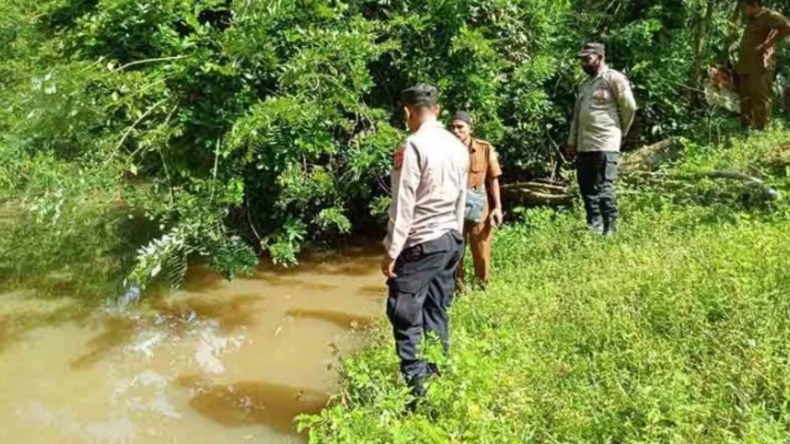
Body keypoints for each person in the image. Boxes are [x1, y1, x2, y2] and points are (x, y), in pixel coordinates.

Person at [382, 84, 468, 404]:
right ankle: (437, 380)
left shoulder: (413, 146)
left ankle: (418, 397)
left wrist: (391, 252)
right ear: (439, 109)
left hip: (420, 244)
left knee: (405, 316)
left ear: (407, 112)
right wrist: (456, 237)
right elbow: (461, 197)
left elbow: (403, 205)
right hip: (449, 240)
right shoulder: (457, 145)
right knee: (436, 311)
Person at [566, 42, 637, 236]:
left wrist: (619, 132)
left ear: (600, 57)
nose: (584, 64)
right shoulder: (584, 85)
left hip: (606, 142)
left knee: (605, 186)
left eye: (588, 59)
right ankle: (594, 227)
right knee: (586, 187)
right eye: (582, 60)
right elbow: (577, 116)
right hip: (584, 144)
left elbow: (629, 107)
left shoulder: (614, 78)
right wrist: (572, 142)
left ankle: (610, 229)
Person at [449, 111, 503, 291]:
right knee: (455, 251)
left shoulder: (484, 148)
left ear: (470, 128)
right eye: (453, 127)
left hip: (479, 206)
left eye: (460, 127)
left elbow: (493, 178)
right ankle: (459, 289)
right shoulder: (445, 150)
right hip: (453, 206)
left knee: (481, 250)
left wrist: (497, 208)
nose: (456, 131)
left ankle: (483, 287)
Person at [735, 0, 790, 130]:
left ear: (755, 5)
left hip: (759, 65)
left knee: (760, 96)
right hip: (746, 65)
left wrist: (768, 44)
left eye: (746, 7)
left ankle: (762, 129)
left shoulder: (769, 16)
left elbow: (787, 26)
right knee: (746, 98)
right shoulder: (753, 19)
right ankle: (747, 127)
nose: (744, 11)